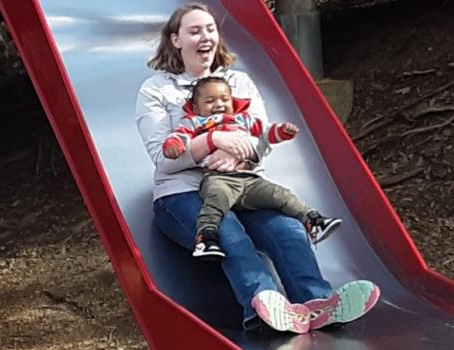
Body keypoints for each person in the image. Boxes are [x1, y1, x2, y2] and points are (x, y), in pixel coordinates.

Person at [135, 2, 379, 334]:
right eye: (194, 31)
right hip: (184, 193)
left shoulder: (238, 82)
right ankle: (263, 306)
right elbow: (164, 157)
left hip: (242, 182)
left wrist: (238, 155)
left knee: (289, 229)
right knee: (228, 232)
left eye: (210, 29)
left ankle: (315, 303)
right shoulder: (157, 90)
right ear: (176, 40)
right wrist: (214, 140)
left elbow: (261, 138)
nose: (204, 36)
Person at [162, 76, 342, 260]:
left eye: (225, 99)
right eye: (210, 101)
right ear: (196, 108)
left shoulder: (243, 119)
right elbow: (180, 136)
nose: (219, 104)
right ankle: (206, 238)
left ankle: (312, 221)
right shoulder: (195, 122)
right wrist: (173, 146)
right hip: (219, 178)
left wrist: (282, 131)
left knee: (280, 194)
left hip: (249, 178)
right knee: (216, 203)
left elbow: (265, 132)